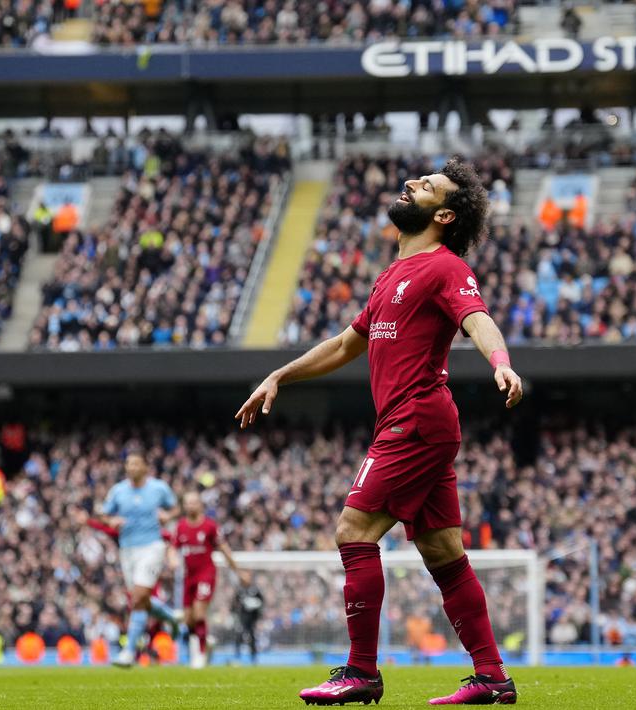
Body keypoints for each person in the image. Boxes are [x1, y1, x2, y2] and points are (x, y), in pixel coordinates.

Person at [236, 157, 523, 706]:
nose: (411, 182)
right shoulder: (393, 274)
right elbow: (346, 344)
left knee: (353, 531)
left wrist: (500, 361)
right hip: (417, 422)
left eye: (426, 185)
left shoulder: (444, 266)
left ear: (442, 214)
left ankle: (361, 671)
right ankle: (492, 676)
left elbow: (477, 317)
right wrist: (280, 374)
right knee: (443, 552)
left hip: (417, 418)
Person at [77, 452, 181, 668]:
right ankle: (171, 617)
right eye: (128, 464)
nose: (131, 468)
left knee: (140, 594)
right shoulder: (118, 491)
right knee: (138, 599)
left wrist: (168, 516)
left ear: (145, 466)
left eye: (136, 463)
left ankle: (129, 650)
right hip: (128, 549)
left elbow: (176, 507)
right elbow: (104, 515)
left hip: (152, 545)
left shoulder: (159, 488)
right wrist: (111, 519)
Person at [165, 490, 247, 669]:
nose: (191, 506)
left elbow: (224, 549)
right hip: (188, 576)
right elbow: (172, 547)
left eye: (194, 502)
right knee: (188, 619)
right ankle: (205, 643)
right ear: (184, 506)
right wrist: (172, 559)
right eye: (187, 503)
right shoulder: (180, 527)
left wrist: (238, 571)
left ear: (200, 505)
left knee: (200, 613)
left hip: (206, 574)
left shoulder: (210, 526)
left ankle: (199, 654)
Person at [232, 579, 264, 664]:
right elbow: (234, 603)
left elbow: (262, 602)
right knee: (239, 635)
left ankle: (253, 657)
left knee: (252, 637)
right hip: (242, 617)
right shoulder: (240, 590)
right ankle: (237, 656)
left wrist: (256, 606)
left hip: (252, 618)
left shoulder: (255, 590)